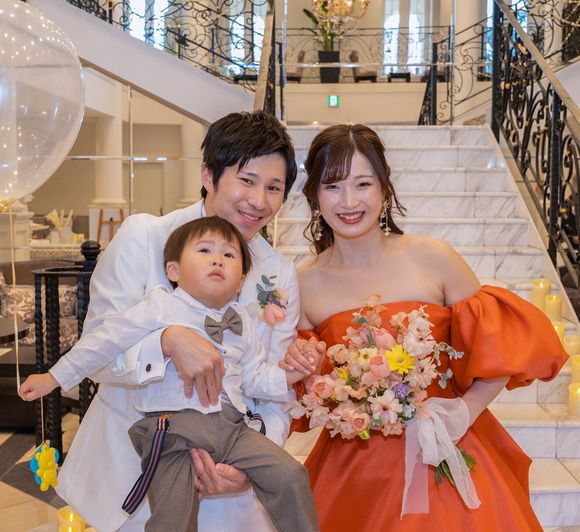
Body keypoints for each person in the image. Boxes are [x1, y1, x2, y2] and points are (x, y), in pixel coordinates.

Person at [282, 124, 568, 531]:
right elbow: (305, 391)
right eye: (332, 186)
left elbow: (500, 346)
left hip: (446, 446)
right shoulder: (304, 283)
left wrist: (464, 411)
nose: (348, 201)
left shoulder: (434, 258)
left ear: (384, 188)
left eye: (363, 183)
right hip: (355, 469)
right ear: (314, 195)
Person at [40, 111, 306, 532]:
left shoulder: (278, 273)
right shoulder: (144, 238)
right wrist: (165, 342)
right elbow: (97, 354)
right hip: (133, 477)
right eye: (247, 180)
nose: (259, 201)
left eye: (274, 188)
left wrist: (250, 465)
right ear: (208, 174)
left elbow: (273, 392)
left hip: (232, 484)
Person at [21, 217, 320, 532]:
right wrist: (53, 377)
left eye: (229, 255)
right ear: (173, 270)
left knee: (290, 475)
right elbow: (104, 341)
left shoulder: (241, 321)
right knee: (172, 518)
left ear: (240, 281)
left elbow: (254, 377)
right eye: (205, 250)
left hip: (233, 429)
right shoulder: (161, 305)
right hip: (174, 431)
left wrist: (290, 375)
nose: (218, 259)